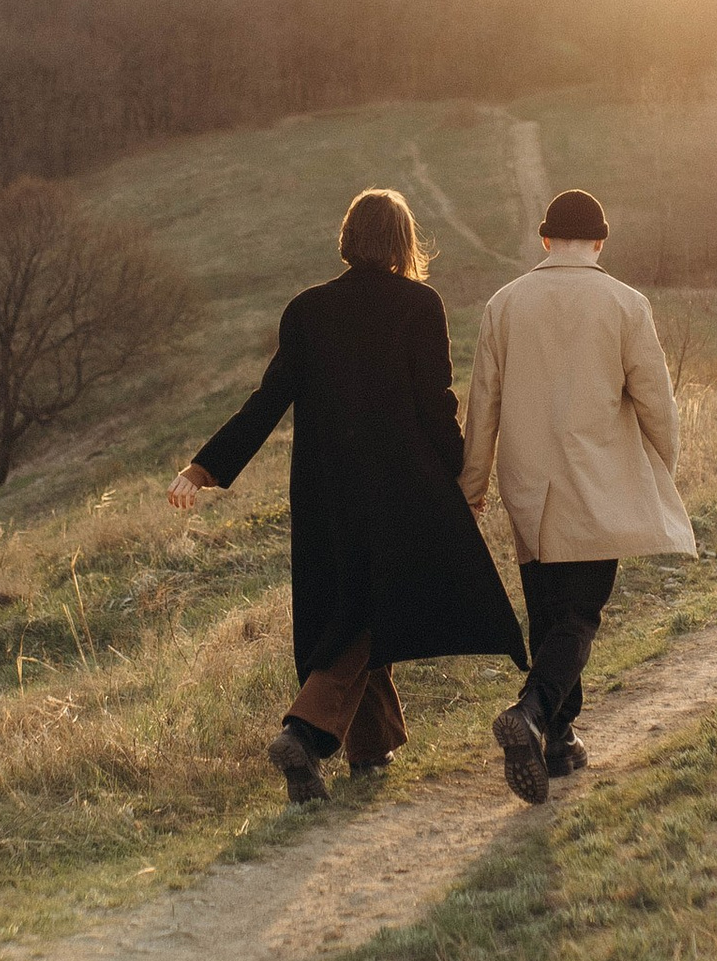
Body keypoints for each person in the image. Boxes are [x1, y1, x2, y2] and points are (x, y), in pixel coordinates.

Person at [168, 187, 526, 804]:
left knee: (357, 600)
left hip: (325, 492)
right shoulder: (420, 304)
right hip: (401, 487)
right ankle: (304, 732)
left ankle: (372, 749)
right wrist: (464, 481)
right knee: (368, 607)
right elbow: (435, 405)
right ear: (404, 241)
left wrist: (203, 468)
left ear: (348, 239)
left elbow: (267, 401)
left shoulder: (307, 309)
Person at [460, 185, 694, 802]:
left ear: (544, 240)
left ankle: (558, 743)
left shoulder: (503, 305)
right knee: (581, 616)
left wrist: (473, 485)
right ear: (599, 242)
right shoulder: (625, 304)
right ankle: (533, 712)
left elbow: (483, 403)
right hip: (599, 480)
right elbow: (655, 400)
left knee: (549, 614)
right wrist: (659, 468)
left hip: (528, 485)